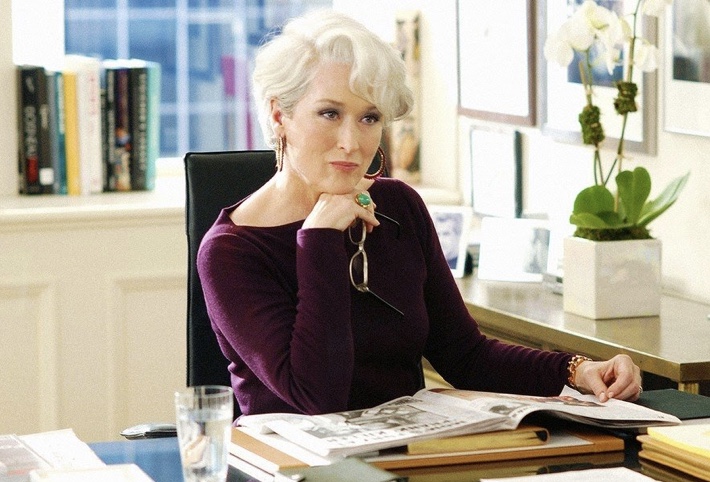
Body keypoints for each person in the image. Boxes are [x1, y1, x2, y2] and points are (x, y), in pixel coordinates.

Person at [197, 10, 642, 418]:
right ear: (279, 114)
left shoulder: (399, 207)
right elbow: (318, 396)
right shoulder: (230, 251)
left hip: (407, 454)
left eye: (369, 118)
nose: (351, 142)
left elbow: (466, 355)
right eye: (329, 113)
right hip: (294, 462)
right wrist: (318, 240)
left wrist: (577, 370)